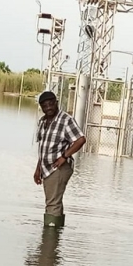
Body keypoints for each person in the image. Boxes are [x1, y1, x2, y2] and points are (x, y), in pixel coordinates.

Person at [33, 91, 86, 228]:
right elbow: (43, 147)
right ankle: (56, 237)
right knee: (55, 202)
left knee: (52, 203)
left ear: (56, 103)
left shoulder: (65, 120)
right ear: (41, 107)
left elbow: (80, 140)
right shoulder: (43, 121)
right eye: (45, 106)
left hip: (59, 167)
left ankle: (48, 243)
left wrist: (64, 157)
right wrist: (38, 169)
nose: (48, 108)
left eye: (51, 104)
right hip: (46, 168)